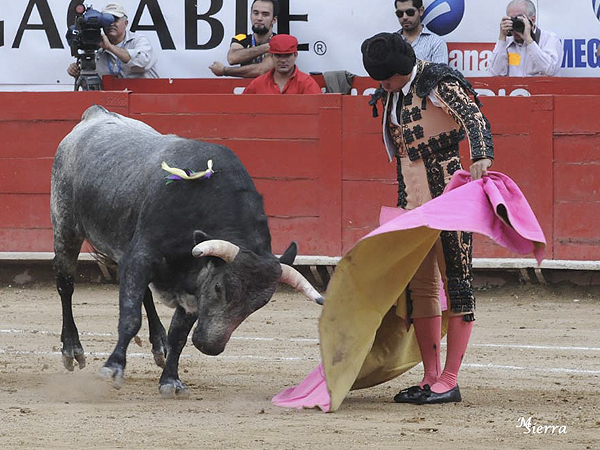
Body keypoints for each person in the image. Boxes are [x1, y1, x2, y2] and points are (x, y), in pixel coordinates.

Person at [362, 32, 494, 404]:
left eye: (385, 78)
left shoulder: (436, 81)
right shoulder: (392, 95)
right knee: (420, 288)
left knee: (458, 283)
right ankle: (431, 376)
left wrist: (482, 155)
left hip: (449, 196)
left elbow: (473, 116)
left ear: (401, 70)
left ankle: (449, 379)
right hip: (411, 202)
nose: (382, 85)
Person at [67, 3, 159, 80]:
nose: (111, 24)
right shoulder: (97, 47)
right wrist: (78, 73)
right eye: (106, 21)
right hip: (114, 99)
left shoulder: (139, 41)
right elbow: (93, 85)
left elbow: (142, 64)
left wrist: (110, 47)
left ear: (126, 23)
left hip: (146, 98)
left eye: (115, 20)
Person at [488, 0, 562, 76]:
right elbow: (494, 74)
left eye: (519, 20)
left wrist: (529, 40)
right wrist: (502, 37)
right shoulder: (506, 42)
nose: (515, 25)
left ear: (532, 19)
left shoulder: (549, 38)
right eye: (512, 20)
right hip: (514, 87)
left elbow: (550, 70)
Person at [209, 0, 278, 78]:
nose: (259, 18)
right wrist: (266, 48)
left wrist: (224, 70)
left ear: (274, 20)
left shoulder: (279, 41)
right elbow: (232, 58)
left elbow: (261, 70)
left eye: (265, 14)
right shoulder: (241, 38)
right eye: (255, 13)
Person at [242, 34, 321, 94]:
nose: (283, 60)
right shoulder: (257, 84)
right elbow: (240, 109)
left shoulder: (307, 84)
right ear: (272, 56)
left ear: (295, 55)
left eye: (287, 55)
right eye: (278, 55)